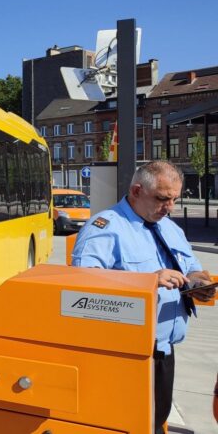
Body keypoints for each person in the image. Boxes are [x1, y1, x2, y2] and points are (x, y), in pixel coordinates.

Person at [71, 161, 216, 434]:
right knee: (124, 425)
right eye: (162, 198)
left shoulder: (170, 227)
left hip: (163, 351)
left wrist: (199, 282)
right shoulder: (105, 228)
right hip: (122, 356)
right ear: (136, 191)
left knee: (154, 421)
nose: (170, 207)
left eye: (175, 199)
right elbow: (81, 289)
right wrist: (148, 280)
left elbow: (192, 266)